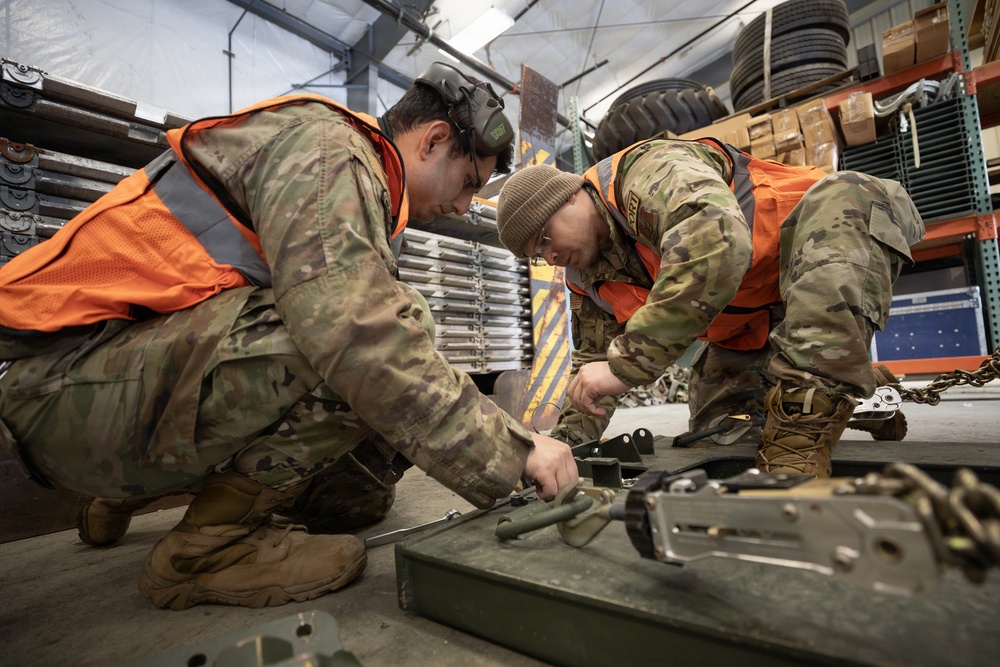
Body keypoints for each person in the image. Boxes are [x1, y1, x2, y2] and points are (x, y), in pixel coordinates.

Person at [0, 62, 577, 610]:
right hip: (55, 394)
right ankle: (206, 551)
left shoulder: (354, 175)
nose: (462, 204)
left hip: (92, 390)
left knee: (358, 481)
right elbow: (357, 333)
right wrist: (514, 449)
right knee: (363, 337)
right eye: (468, 181)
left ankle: (125, 491)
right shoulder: (329, 152)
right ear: (430, 141)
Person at [495, 136, 925, 479]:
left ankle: (814, 411)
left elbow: (716, 240)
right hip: (754, 319)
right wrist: (562, 445)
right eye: (537, 255)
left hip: (830, 236)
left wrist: (626, 365)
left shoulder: (643, 174)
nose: (549, 258)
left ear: (569, 197)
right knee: (724, 436)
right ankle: (860, 388)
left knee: (792, 435)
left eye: (545, 239)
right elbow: (592, 370)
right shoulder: (587, 278)